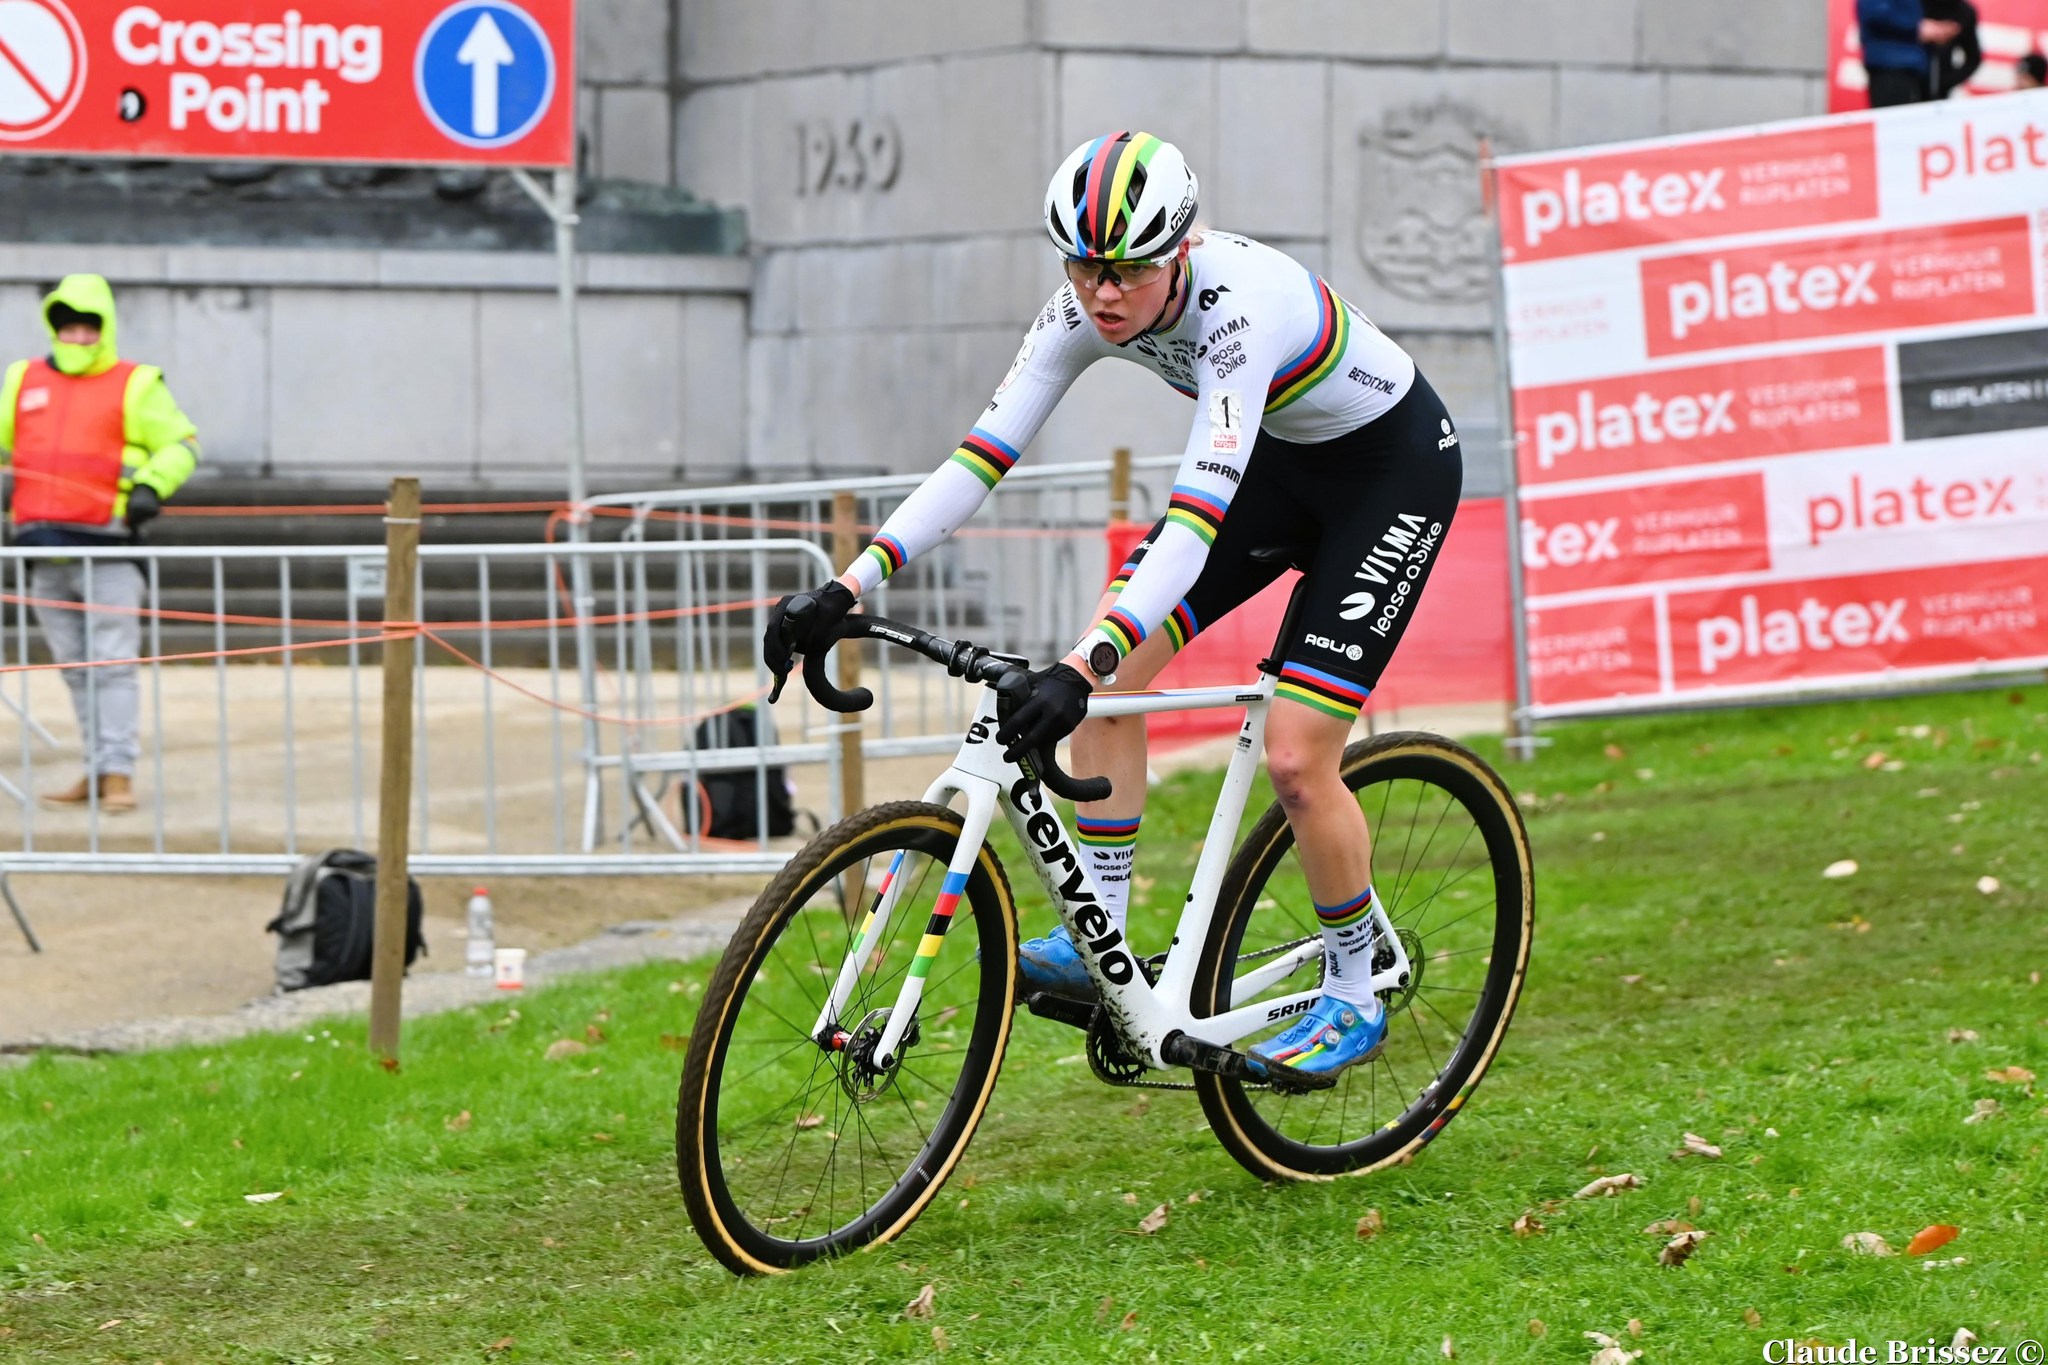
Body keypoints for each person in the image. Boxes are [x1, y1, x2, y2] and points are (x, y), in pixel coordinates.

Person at [765, 132, 1463, 1077]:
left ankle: (1356, 973)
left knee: (1297, 757)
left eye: (1127, 270)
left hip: (1389, 472)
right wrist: (850, 584)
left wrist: (1078, 665)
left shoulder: (1237, 310)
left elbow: (1193, 519)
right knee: (1112, 664)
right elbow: (980, 458)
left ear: (1179, 248)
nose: (1103, 292)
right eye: (1084, 267)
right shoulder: (1078, 309)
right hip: (1280, 466)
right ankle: (1109, 938)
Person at [0, 275, 199, 813]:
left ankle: (117, 774)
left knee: (111, 665)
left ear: (105, 328)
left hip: (108, 548)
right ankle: (95, 767)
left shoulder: (136, 383)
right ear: (54, 326)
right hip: (42, 551)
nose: (79, 336)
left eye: (90, 326)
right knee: (75, 668)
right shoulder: (23, 379)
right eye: (69, 325)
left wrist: (153, 487)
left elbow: (180, 444)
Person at [1859, 0, 1961, 107]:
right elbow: (1875, 12)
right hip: (1891, 66)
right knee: (1896, 119)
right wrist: (1916, 27)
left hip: (1911, 69)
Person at [1924, 0, 1982, 98]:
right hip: (1905, 82)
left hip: (1939, 93)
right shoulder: (1912, 6)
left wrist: (1946, 82)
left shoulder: (1963, 12)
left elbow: (1973, 58)